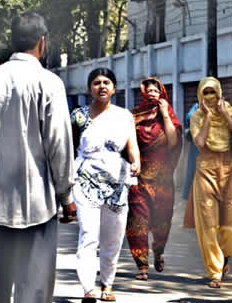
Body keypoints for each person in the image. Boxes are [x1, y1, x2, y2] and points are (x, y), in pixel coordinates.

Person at [0, 12, 76, 303]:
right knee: (36, 287)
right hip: (36, 205)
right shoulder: (48, 82)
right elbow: (59, 144)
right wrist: (66, 196)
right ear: (42, 42)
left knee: (1, 283)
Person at [71, 67, 140, 302]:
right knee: (89, 233)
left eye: (107, 82)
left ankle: (107, 284)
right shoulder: (78, 116)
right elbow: (69, 150)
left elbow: (132, 146)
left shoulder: (124, 115)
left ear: (114, 88)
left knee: (113, 235)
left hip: (117, 182)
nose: (102, 86)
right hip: (84, 179)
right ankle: (88, 288)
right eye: (97, 82)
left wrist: (136, 162)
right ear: (89, 88)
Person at [190, 76, 232, 288]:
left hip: (230, 169)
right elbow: (199, 143)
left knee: (230, 226)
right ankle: (214, 272)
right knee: (208, 225)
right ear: (200, 95)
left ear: (219, 93)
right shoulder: (197, 116)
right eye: (205, 92)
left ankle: (225, 257)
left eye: (212, 92)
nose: (209, 97)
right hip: (206, 169)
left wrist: (225, 114)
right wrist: (208, 117)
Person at [125, 77, 182, 281]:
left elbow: (173, 142)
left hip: (163, 179)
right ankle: (142, 266)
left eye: (156, 91)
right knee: (137, 222)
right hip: (138, 177)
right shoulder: (133, 116)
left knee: (161, 222)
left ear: (162, 93)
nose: (152, 93)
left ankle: (158, 252)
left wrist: (165, 114)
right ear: (142, 92)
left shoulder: (170, 116)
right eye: (148, 90)